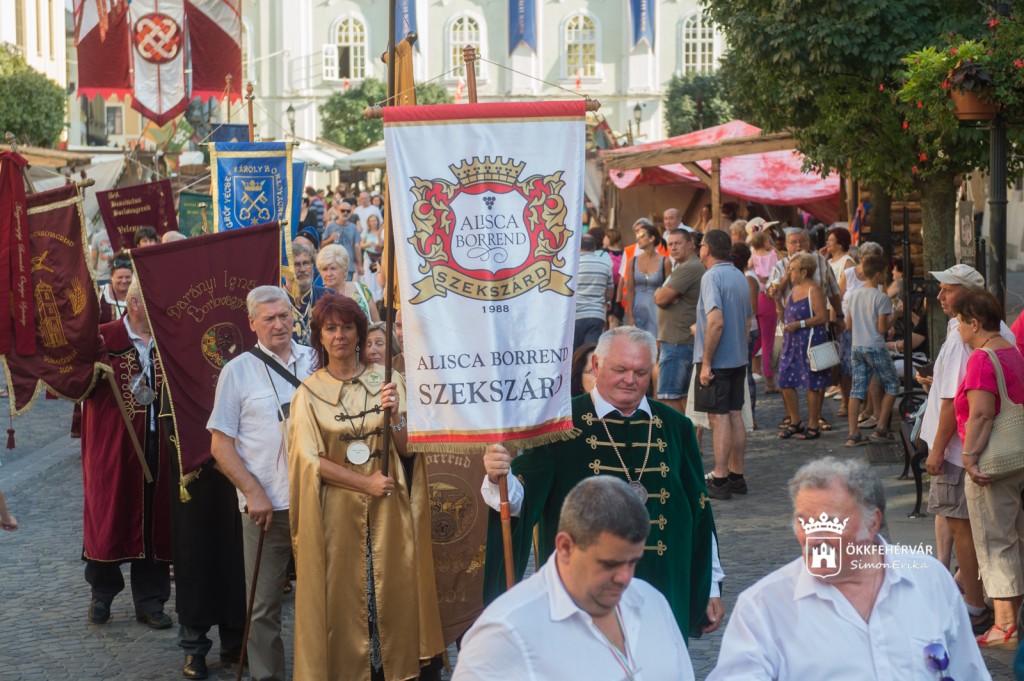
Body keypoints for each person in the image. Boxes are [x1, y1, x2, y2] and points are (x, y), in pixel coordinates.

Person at [481, 326, 724, 641]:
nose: (630, 380)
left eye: (640, 372)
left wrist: (710, 586)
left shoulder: (676, 427)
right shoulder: (561, 424)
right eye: (620, 370)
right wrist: (498, 477)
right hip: (586, 591)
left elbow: (700, 511)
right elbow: (520, 501)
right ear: (596, 365)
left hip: (665, 586)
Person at [708, 457, 990, 680]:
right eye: (804, 522)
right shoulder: (764, 607)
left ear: (873, 523)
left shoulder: (929, 579)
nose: (814, 538)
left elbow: (968, 671)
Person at [288, 294, 444, 680]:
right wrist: (364, 483)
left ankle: (394, 668)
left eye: (347, 327)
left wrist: (396, 415)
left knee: (392, 592)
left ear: (360, 333)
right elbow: (308, 460)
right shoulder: (308, 394)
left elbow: (409, 449)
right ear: (319, 337)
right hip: (337, 517)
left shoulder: (388, 381)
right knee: (347, 598)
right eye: (330, 328)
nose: (339, 335)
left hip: (391, 510)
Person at [455, 477, 694, 681]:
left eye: (632, 562)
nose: (625, 578)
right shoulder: (503, 634)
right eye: (609, 564)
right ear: (566, 547)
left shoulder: (652, 601)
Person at [208, 286, 317, 681]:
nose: (278, 324)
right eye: (269, 318)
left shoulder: (316, 360)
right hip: (268, 508)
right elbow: (220, 444)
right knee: (263, 606)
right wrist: (252, 492)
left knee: (323, 600)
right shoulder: (236, 371)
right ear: (252, 323)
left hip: (319, 501)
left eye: (284, 316)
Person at [921, 264, 1014, 637]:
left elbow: (969, 407)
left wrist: (943, 451)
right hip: (975, 451)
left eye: (948, 289)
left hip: (963, 451)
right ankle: (990, 605)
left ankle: (981, 608)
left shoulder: (972, 342)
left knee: (971, 529)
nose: (940, 296)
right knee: (985, 531)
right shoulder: (985, 335)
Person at [81, 278, 172, 629]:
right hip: (113, 447)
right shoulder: (103, 339)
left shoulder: (168, 339)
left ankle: (151, 601)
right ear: (135, 304)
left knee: (155, 521)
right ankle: (102, 594)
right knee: (109, 517)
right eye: (154, 300)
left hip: (159, 445)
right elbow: (77, 385)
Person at [953, 289, 1024, 649]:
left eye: (960, 322)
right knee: (1014, 537)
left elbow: (981, 413)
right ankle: (1012, 619)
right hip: (1017, 457)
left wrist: (969, 456)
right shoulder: (1011, 350)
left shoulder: (982, 358)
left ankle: (1004, 624)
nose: (958, 329)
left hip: (992, 462)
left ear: (974, 323)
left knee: (995, 541)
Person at [695, 230, 752, 499]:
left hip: (718, 359)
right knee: (734, 415)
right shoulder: (739, 275)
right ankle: (736, 475)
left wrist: (707, 363)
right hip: (737, 357)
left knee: (719, 419)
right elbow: (747, 320)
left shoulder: (711, 276)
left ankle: (719, 479)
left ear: (706, 249)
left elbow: (716, 322)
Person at [774, 252, 831, 441]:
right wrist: (777, 300)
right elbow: (784, 318)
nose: (789, 273)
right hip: (792, 342)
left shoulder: (813, 290)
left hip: (810, 342)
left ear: (804, 272)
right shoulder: (793, 290)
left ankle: (813, 425)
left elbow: (822, 317)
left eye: (792, 270)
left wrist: (800, 324)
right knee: (784, 380)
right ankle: (795, 420)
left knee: (811, 383)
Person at [844, 254, 900, 446]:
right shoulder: (881, 298)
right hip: (875, 346)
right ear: (877, 275)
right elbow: (882, 328)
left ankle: (853, 434)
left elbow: (849, 325)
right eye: (885, 273)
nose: (886, 276)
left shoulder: (853, 296)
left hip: (857, 346)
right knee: (892, 385)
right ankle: (881, 428)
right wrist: (896, 315)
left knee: (857, 390)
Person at [654, 227, 704, 414]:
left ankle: (678, 432)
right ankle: (688, 432)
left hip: (678, 341)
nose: (673, 248)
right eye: (670, 244)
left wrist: (661, 294)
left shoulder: (688, 268)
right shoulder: (683, 266)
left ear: (690, 244)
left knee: (669, 396)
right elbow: (662, 297)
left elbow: (660, 299)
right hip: (678, 339)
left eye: (678, 243)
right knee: (682, 396)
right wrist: (664, 295)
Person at [624, 220, 670, 337]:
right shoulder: (633, 261)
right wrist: (630, 315)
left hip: (657, 309)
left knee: (656, 341)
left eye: (642, 236)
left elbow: (669, 288)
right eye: (637, 236)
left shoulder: (665, 261)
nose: (638, 239)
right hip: (638, 308)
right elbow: (630, 289)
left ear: (651, 238)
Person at [315, 244, 379, 324]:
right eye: (324, 269)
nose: (329, 274)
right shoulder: (317, 296)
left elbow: (378, 324)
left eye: (333, 268)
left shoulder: (361, 290)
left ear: (344, 270)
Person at [749, 230, 780, 393]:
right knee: (768, 342)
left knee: (759, 338)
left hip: (757, 297)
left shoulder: (753, 256)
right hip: (769, 297)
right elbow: (780, 270)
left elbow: (748, 267)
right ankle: (769, 380)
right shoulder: (773, 254)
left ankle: (746, 361)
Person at [290, 242, 334, 345]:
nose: (302, 269)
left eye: (306, 263)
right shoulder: (276, 300)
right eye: (296, 265)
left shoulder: (330, 297)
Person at [574, 232, 613, 350]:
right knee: (590, 351)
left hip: (576, 315)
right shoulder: (605, 264)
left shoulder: (573, 264)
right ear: (595, 247)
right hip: (597, 315)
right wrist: (607, 303)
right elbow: (609, 293)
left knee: (574, 354)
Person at [322, 201, 363, 281]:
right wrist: (330, 239)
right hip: (332, 265)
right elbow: (322, 245)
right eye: (343, 210)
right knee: (333, 288)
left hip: (348, 265)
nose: (345, 213)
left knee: (346, 287)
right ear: (338, 211)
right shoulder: (330, 226)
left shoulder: (353, 227)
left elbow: (357, 247)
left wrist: (359, 265)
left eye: (348, 211)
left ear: (351, 212)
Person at [98, 253, 132, 324]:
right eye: (120, 277)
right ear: (112, 277)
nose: (124, 281)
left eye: (127, 277)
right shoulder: (99, 293)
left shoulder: (138, 296)